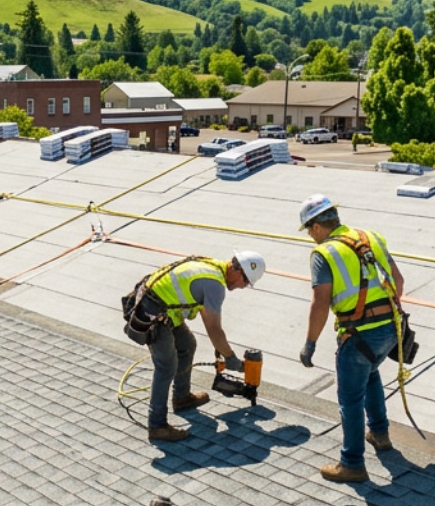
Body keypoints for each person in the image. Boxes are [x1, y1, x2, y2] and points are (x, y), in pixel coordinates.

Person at [297, 194, 405, 482]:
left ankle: (352, 463)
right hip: (390, 329)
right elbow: (399, 281)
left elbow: (320, 303)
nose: (310, 236)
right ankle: (380, 434)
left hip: (358, 334)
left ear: (316, 226)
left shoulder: (324, 253)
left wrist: (310, 344)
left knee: (350, 399)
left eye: (309, 230)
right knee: (370, 375)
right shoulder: (370, 237)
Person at [135, 251, 267, 443]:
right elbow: (214, 329)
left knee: (187, 345)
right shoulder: (214, 285)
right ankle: (157, 426)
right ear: (237, 270)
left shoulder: (214, 266)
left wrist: (223, 350)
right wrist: (231, 358)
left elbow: (207, 318)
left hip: (163, 306)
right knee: (166, 367)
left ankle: (181, 397)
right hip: (152, 311)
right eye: (245, 281)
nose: (243, 286)